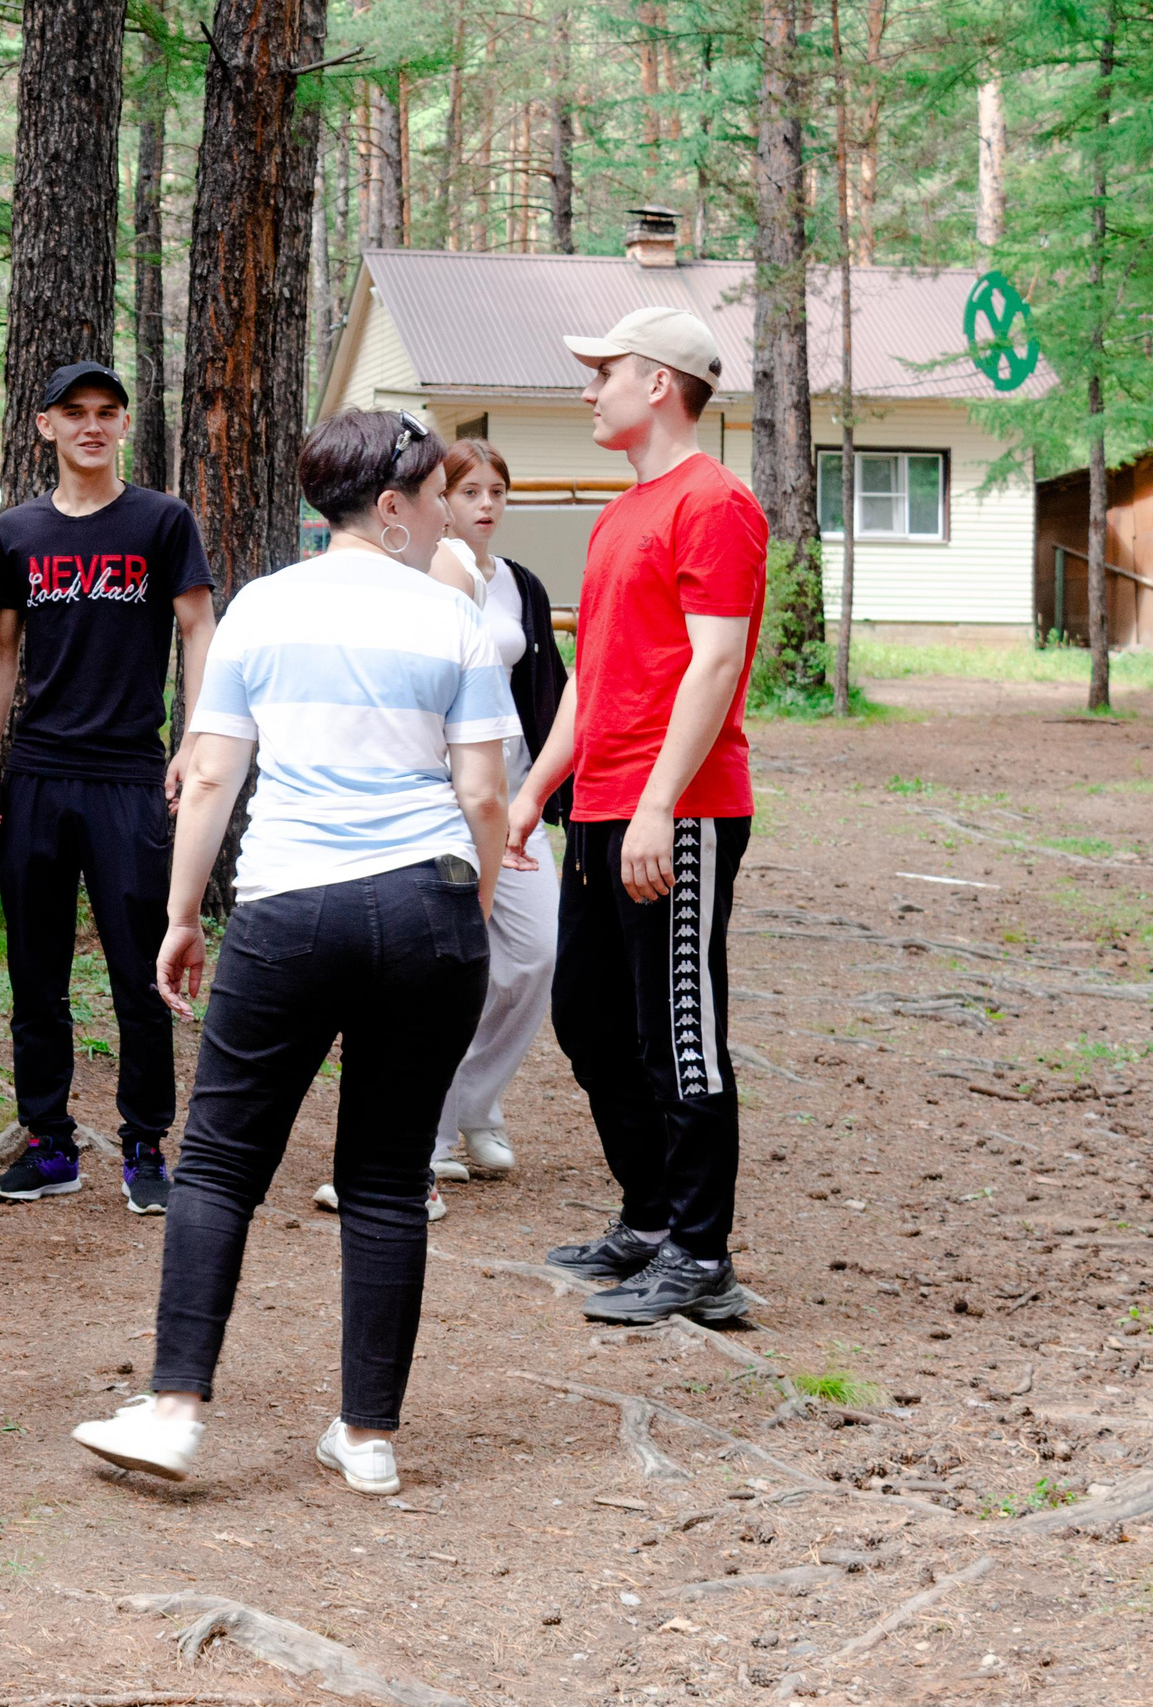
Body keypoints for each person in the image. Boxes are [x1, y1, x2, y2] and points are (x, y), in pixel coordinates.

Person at [69, 408, 515, 1495]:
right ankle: (368, 1438)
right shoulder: (453, 618)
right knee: (387, 1175)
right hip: (428, 908)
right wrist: (468, 905)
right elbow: (483, 794)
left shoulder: (261, 608)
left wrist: (181, 914)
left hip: (291, 909)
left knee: (222, 1160)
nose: (440, 515)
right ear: (393, 506)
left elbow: (211, 774)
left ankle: (175, 1411)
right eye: (431, 495)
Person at [512, 307, 768, 1326]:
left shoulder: (715, 503)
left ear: (658, 382)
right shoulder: (621, 514)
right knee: (587, 1019)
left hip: (679, 810)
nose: (588, 389)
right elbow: (594, 675)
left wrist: (660, 803)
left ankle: (700, 1258)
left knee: (680, 1038)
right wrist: (535, 792)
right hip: (601, 808)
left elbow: (716, 661)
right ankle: (653, 1218)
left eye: (604, 371)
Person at [0, 360, 215, 1214]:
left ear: (124, 424)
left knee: (140, 970)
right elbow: (1, 647)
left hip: (127, 772)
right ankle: (48, 1144)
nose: (92, 426)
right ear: (45, 425)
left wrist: (194, 738)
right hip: (37, 772)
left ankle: (146, 1146)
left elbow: (198, 627)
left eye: (108, 411)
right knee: (34, 973)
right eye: (74, 412)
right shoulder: (18, 531)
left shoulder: (161, 520)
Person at [310, 438, 568, 1221]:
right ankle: (415, 1144)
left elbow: (545, 686)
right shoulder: (436, 569)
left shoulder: (516, 582)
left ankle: (472, 1103)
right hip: (450, 799)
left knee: (536, 953)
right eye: (468, 490)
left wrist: (540, 793)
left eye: (497, 490)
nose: (485, 504)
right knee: (441, 968)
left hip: (512, 793)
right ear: (441, 501)